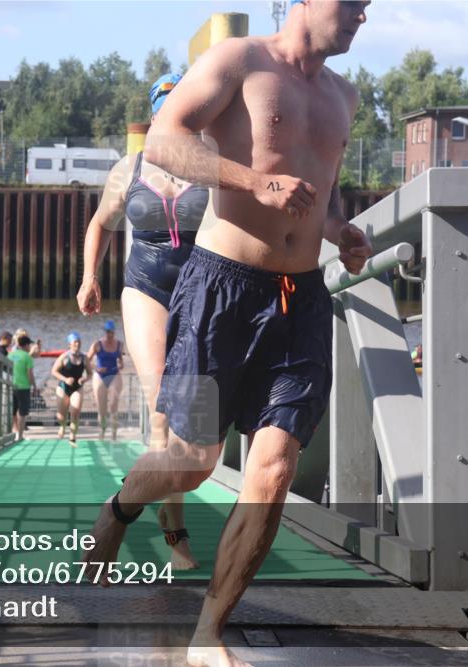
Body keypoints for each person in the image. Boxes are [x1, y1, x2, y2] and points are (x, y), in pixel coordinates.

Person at [80, 3, 373, 665]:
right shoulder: (240, 60)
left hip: (300, 304)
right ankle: (119, 511)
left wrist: (340, 231)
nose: (362, 11)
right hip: (222, 292)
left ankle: (208, 631)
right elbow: (164, 140)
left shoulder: (344, 96)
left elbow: (313, 190)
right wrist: (252, 180)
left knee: (272, 469)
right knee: (194, 459)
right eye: (352, 0)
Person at [77, 72, 206, 569]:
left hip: (201, 291)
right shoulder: (127, 168)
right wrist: (90, 276)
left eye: (190, 107)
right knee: (164, 407)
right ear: (157, 116)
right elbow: (101, 223)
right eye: (170, 107)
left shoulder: (216, 165)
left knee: (192, 421)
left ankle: (138, 501)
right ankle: (175, 536)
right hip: (146, 287)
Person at [87, 320, 125, 441]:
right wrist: (96, 368)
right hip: (100, 375)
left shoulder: (119, 344)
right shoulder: (97, 344)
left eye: (112, 332)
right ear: (105, 332)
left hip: (114, 374)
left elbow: (121, 361)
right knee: (101, 408)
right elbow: (86, 360)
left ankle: (114, 435)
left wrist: (121, 365)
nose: (110, 335)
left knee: (114, 404)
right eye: (108, 332)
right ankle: (102, 432)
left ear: (114, 332)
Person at [52, 332, 90, 445]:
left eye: (79, 342)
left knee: (75, 411)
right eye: (75, 342)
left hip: (77, 388)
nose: (77, 344)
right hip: (63, 387)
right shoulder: (64, 357)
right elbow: (54, 371)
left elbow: (91, 373)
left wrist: (84, 379)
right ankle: (62, 426)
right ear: (70, 344)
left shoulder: (84, 358)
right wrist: (65, 379)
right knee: (61, 415)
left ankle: (72, 436)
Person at [9, 335, 37, 441]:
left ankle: (14, 431)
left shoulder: (12, 355)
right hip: (24, 387)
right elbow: (30, 373)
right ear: (25, 345)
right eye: (29, 344)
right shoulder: (27, 357)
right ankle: (20, 435)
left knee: (13, 410)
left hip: (12, 385)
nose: (30, 346)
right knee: (22, 412)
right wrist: (33, 385)